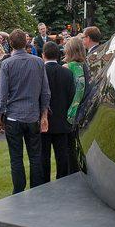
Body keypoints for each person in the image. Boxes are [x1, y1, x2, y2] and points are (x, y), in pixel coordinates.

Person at [0, 29, 50, 194]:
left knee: (16, 158)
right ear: (26, 43)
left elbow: (2, 93)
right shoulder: (38, 62)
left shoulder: (7, 63)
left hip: (14, 118)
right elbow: (45, 92)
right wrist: (44, 114)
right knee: (35, 156)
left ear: (10, 44)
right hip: (32, 116)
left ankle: (18, 191)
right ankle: (36, 190)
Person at [41, 41, 77, 181]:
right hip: (62, 121)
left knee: (44, 157)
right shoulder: (67, 73)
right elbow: (71, 96)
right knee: (62, 157)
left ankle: (44, 184)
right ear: (59, 55)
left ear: (43, 55)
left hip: (44, 122)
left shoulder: (40, 72)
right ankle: (62, 182)